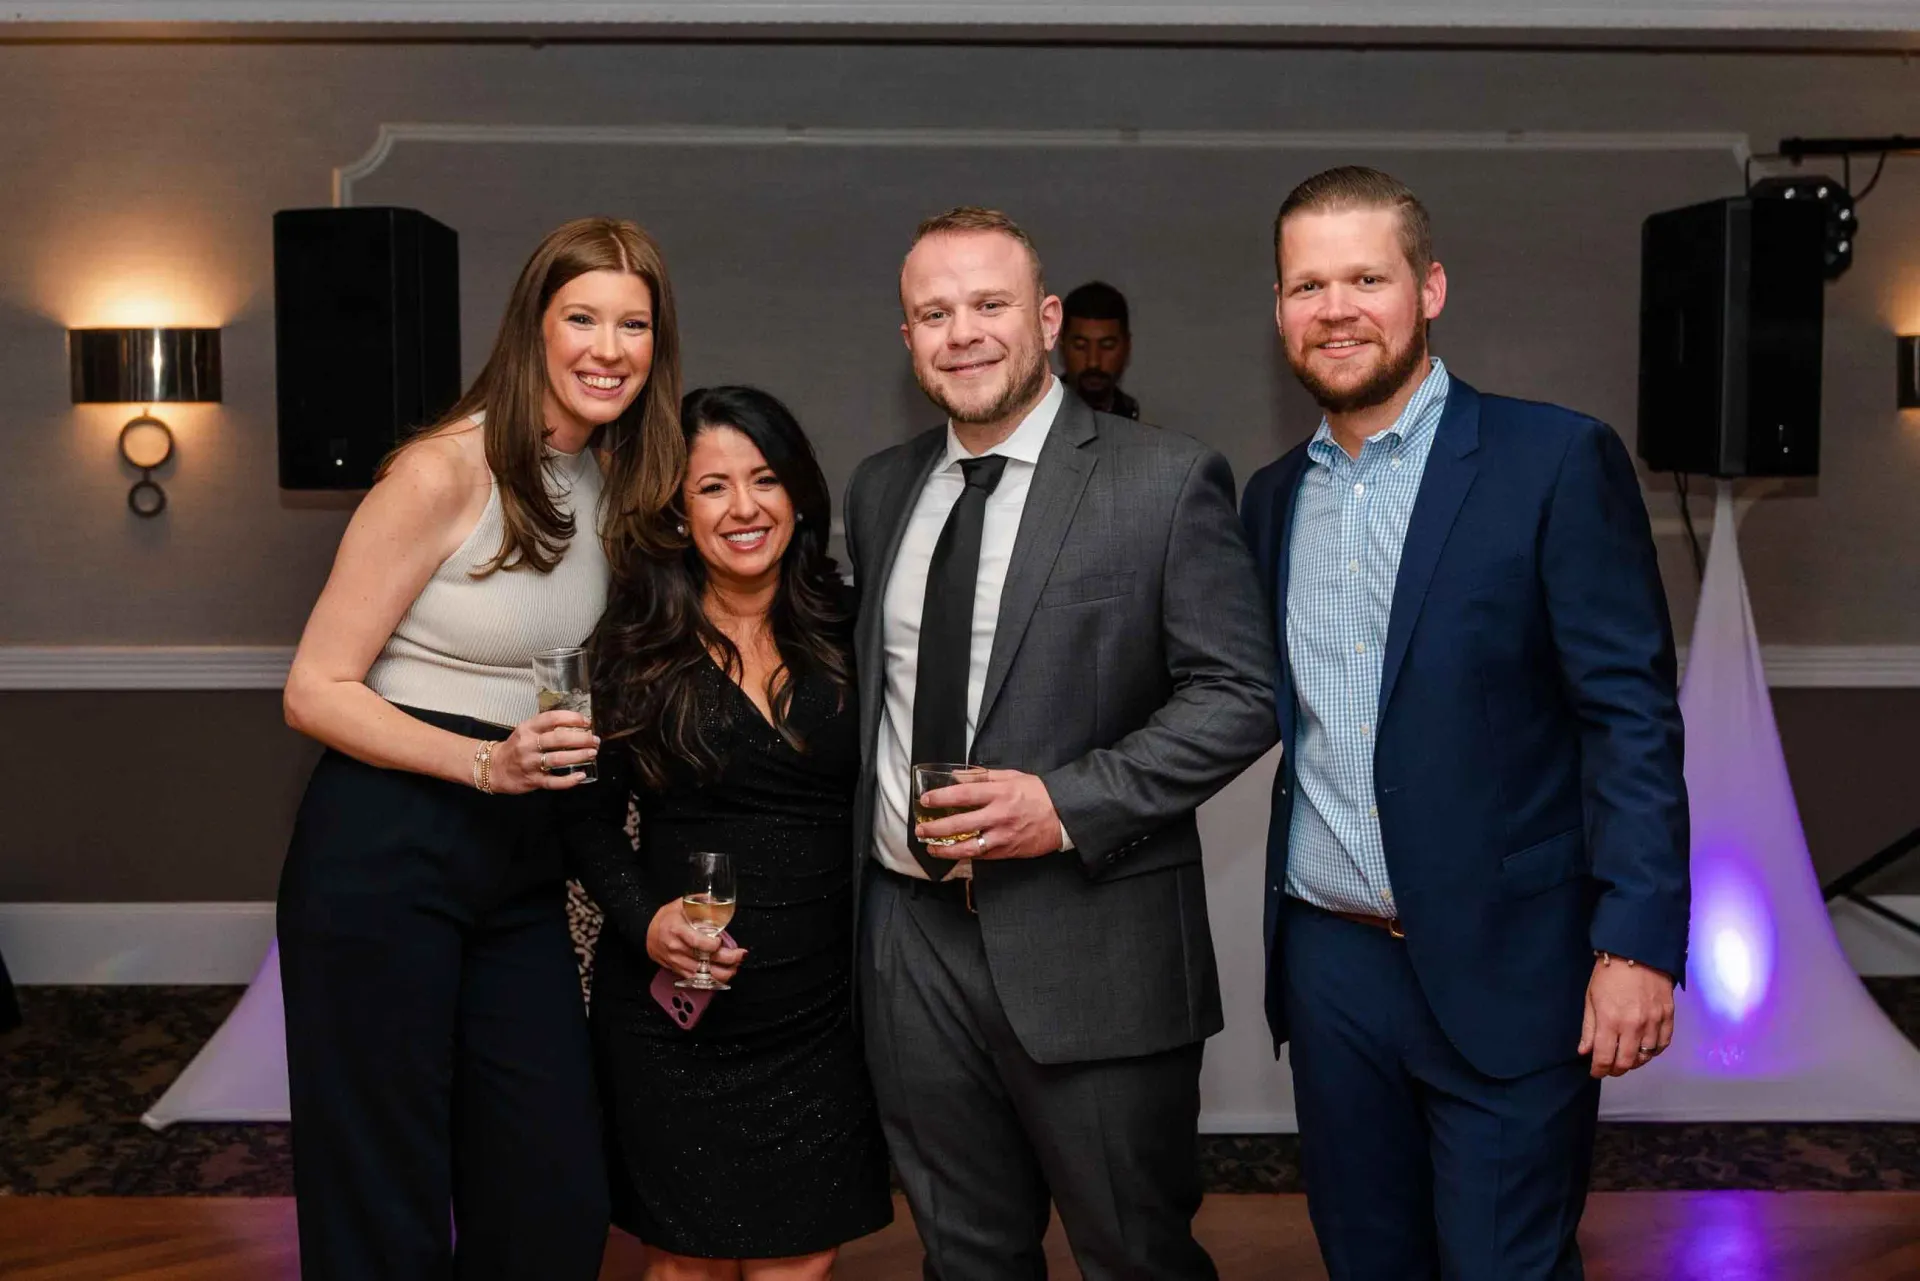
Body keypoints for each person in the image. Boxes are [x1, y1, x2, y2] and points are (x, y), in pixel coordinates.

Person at [1240, 166, 1690, 1280]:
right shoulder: (1267, 501)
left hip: (1512, 963)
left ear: (1428, 288)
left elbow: (1628, 715)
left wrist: (1636, 940)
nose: (1335, 308)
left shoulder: (1551, 460)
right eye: (1308, 285)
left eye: (1365, 277)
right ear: (1280, 311)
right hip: (1332, 967)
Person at [844, 207, 1276, 1280]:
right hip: (912, 939)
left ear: (1044, 320)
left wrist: (1065, 804)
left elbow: (1242, 693)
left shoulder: (1164, 479)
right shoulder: (882, 487)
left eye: (989, 306)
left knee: (1135, 1255)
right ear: (907, 339)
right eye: (933, 314)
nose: (963, 333)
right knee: (966, 1257)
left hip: (1095, 942)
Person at [278, 216, 686, 1279]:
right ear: (533, 332)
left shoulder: (603, 483)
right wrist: (480, 765)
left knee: (551, 1188)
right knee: (384, 1191)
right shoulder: (440, 470)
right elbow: (312, 690)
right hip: (387, 841)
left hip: (518, 861)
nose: (609, 347)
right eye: (582, 318)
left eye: (633, 324)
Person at [562, 385, 893, 1280]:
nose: (744, 508)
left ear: (798, 495)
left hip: (822, 1018)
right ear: (676, 509)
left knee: (801, 1262)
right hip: (673, 1021)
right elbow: (588, 825)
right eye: (712, 487)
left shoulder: (856, 624)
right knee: (684, 1268)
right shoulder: (634, 644)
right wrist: (646, 925)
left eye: (765, 479)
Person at [1060, 280, 1139, 419]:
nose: (1093, 362)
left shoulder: (1131, 418)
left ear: (1127, 347)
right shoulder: (1034, 415)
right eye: (1080, 346)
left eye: (1107, 346)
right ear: (1061, 344)